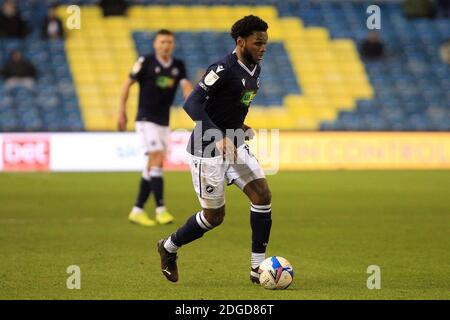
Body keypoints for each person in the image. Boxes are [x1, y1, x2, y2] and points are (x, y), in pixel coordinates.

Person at [157, 15, 271, 285]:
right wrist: (219, 135)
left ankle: (257, 269)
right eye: (258, 43)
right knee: (214, 217)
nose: (263, 48)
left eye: (265, 43)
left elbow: (228, 104)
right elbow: (192, 104)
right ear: (241, 42)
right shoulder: (222, 68)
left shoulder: (255, 68)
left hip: (233, 143)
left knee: (262, 194)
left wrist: (239, 126)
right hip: (206, 148)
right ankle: (169, 247)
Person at [118, 29, 193, 227]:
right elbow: (127, 84)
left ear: (173, 45)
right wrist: (122, 112)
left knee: (153, 163)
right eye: (162, 42)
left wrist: (192, 98)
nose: (166, 45)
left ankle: (137, 210)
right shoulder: (146, 61)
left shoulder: (178, 65)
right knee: (157, 159)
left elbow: (186, 86)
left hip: (163, 121)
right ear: (155, 44)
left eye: (169, 42)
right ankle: (160, 209)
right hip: (145, 118)